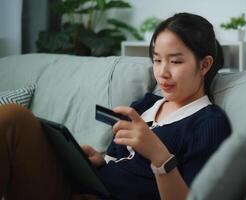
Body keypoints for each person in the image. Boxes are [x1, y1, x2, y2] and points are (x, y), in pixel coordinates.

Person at [0, 12, 231, 200]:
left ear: (204, 65)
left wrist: (159, 156)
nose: (163, 72)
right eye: (158, 60)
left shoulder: (209, 124)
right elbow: (117, 160)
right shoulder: (144, 105)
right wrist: (99, 161)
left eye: (176, 61)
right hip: (85, 188)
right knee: (13, 119)